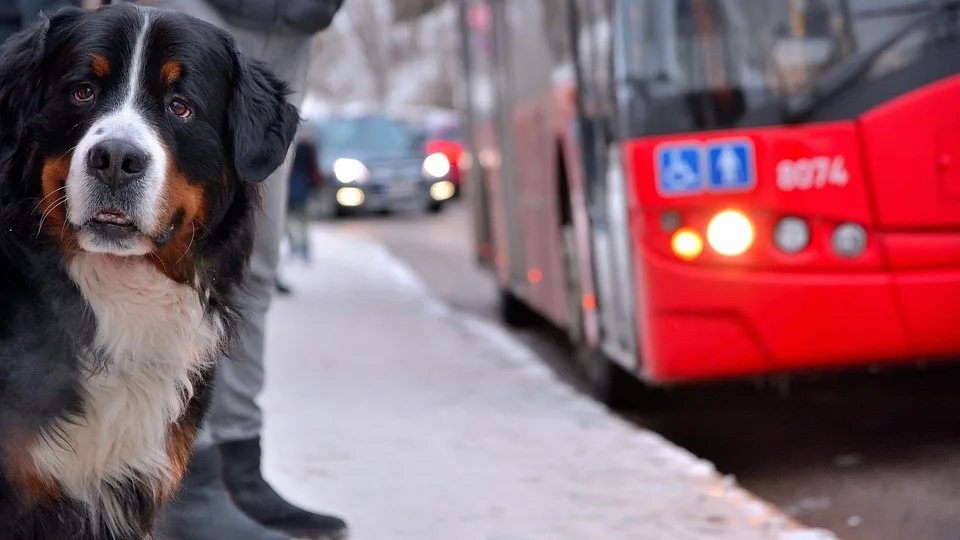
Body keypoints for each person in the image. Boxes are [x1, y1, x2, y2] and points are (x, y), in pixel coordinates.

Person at [112, 1, 350, 539]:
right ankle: (169, 473)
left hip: (292, 20)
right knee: (151, 244)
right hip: (201, 8)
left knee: (253, 260)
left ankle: (235, 463)